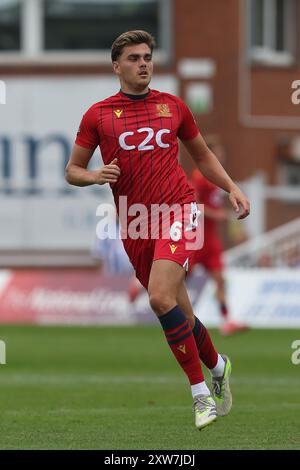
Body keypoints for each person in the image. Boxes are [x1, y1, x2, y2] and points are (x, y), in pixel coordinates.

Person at [65, 30, 250, 430]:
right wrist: (96, 175)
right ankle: (218, 366)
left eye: (147, 56)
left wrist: (231, 187)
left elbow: (201, 156)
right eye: (134, 58)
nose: (143, 63)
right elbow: (72, 171)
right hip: (134, 223)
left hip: (180, 211)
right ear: (117, 67)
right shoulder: (98, 115)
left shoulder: (172, 106)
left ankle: (200, 395)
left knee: (160, 299)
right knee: (180, 312)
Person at [190, 136, 249, 335]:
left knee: (220, 279)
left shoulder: (216, 178)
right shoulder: (199, 176)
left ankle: (226, 321)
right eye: (219, 152)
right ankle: (143, 287)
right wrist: (217, 214)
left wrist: (233, 226)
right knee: (180, 278)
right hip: (196, 238)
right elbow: (194, 205)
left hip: (211, 239)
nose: (222, 156)